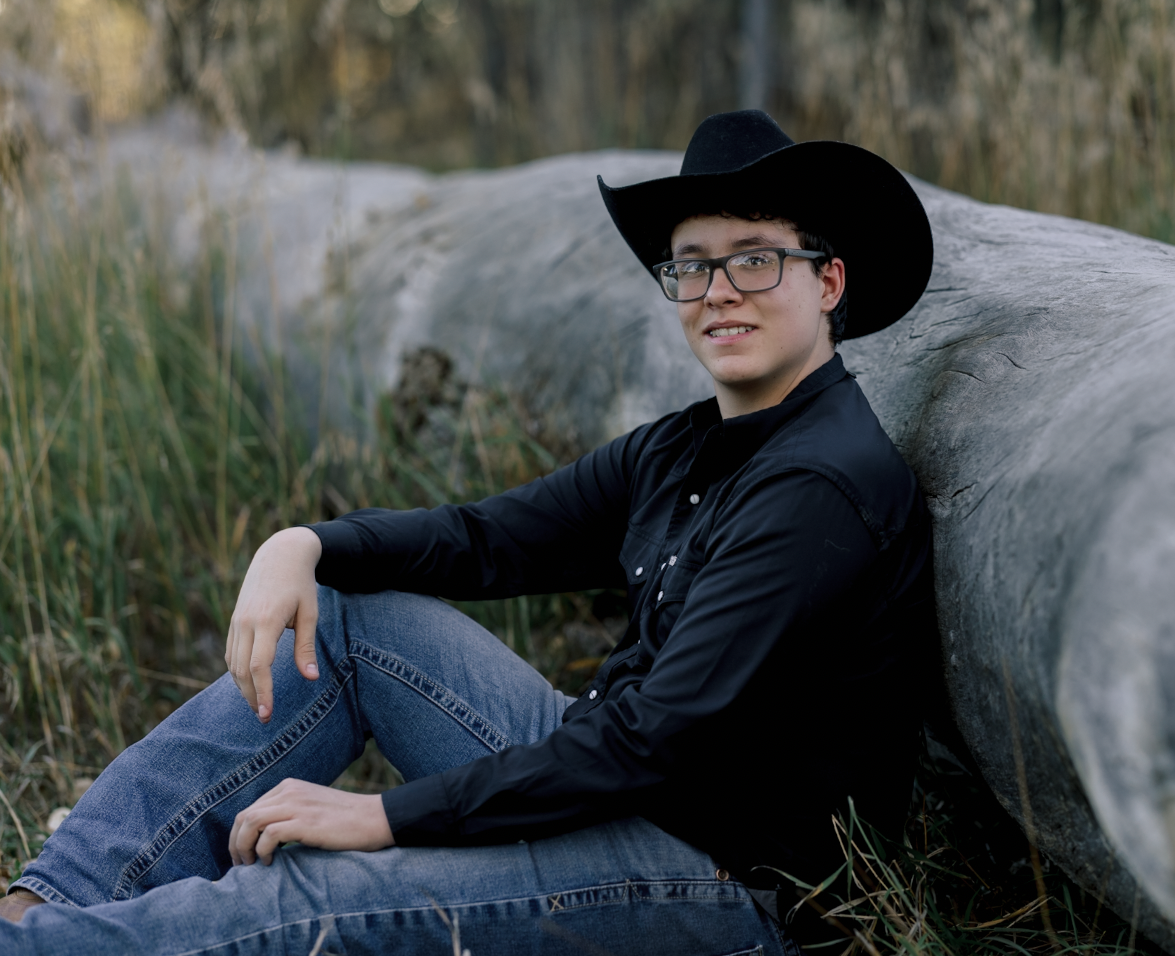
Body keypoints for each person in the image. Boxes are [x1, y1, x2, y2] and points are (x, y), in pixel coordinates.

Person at [0, 109, 935, 955]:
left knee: (320, 893)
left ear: (828, 281)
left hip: (724, 883)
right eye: (693, 264)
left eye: (755, 257)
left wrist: (386, 817)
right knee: (356, 621)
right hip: (619, 784)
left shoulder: (819, 486)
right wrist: (305, 542)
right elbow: (483, 538)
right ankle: (49, 904)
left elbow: (650, 744)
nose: (719, 289)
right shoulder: (688, 446)